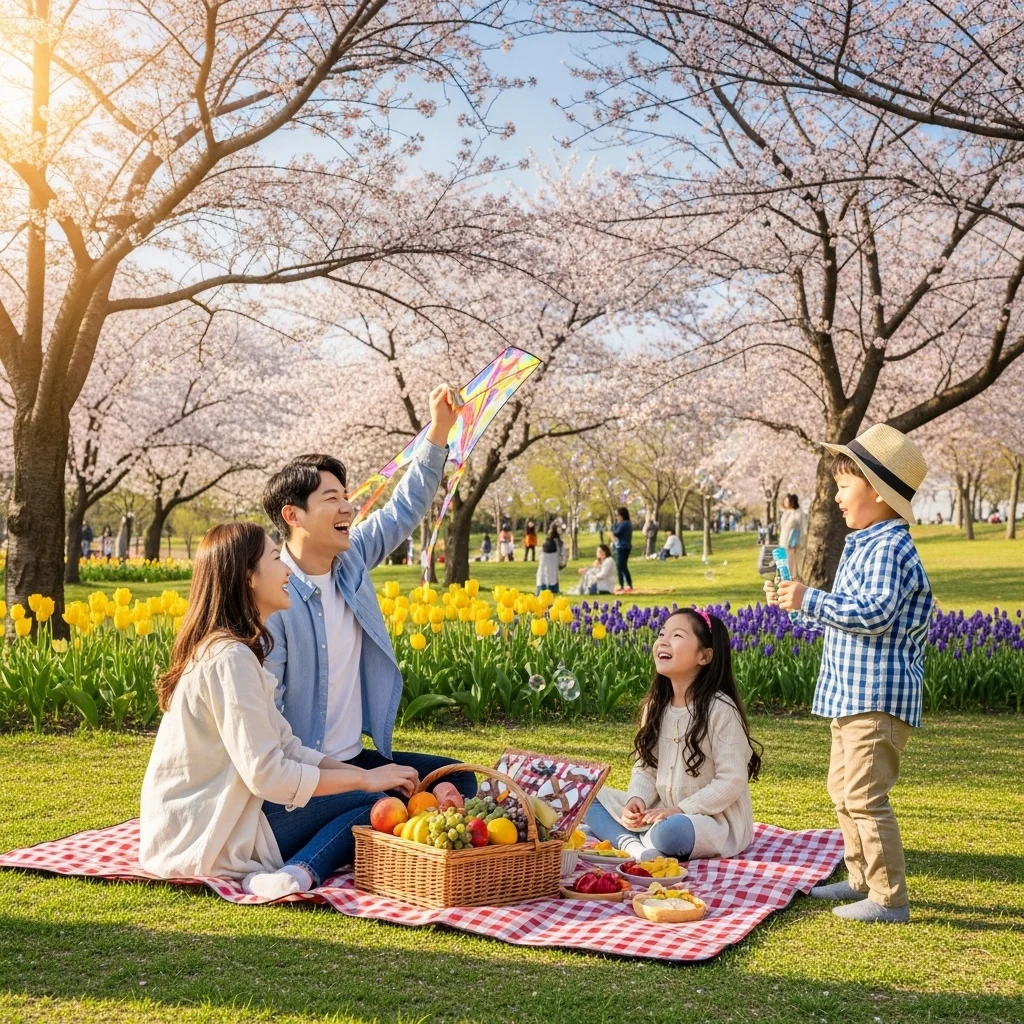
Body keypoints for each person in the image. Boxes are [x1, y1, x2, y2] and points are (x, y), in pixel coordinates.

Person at [139, 523, 421, 898]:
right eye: (275, 558)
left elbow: (288, 748)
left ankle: (297, 864)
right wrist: (365, 782)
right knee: (375, 803)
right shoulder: (229, 658)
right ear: (248, 577)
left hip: (223, 816)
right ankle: (298, 873)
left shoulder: (237, 652)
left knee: (378, 792)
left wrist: (365, 773)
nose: (288, 569)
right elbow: (268, 775)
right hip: (211, 834)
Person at [260, 385, 477, 858]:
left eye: (346, 496)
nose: (348, 508)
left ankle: (389, 828)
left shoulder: (352, 558)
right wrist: (339, 780)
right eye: (332, 499)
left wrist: (439, 430)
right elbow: (266, 721)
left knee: (458, 776)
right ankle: (305, 866)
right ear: (292, 515)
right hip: (300, 779)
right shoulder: (272, 599)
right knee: (379, 799)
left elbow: (404, 509)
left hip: (355, 757)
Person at [767, 424, 932, 924]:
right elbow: (845, 611)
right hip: (849, 694)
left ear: (878, 492)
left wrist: (811, 597)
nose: (836, 497)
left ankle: (889, 899)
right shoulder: (865, 543)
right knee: (842, 790)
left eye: (844, 486)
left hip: (876, 700)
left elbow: (875, 612)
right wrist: (799, 604)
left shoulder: (889, 548)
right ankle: (860, 878)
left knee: (864, 796)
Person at [584, 608, 760, 861]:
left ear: (704, 656)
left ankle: (621, 837)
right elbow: (646, 768)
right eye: (661, 633)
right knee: (588, 796)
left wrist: (679, 810)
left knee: (671, 833)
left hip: (711, 821)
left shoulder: (720, 709)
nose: (663, 641)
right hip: (660, 812)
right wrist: (637, 800)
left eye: (677, 635)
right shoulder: (655, 707)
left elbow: (731, 781)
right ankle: (637, 848)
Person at [778, 494, 807, 582]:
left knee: (792, 558)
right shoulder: (786, 512)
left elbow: (799, 525)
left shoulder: (797, 512)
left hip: (792, 538)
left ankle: (794, 578)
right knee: (785, 559)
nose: (785, 503)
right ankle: (787, 577)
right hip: (784, 538)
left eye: (787, 501)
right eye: (785, 501)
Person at [611, 506, 634, 593]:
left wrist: (613, 528)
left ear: (622, 515)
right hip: (623, 546)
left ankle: (624, 585)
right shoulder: (626, 523)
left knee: (621, 566)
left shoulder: (625, 524)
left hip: (623, 547)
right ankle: (626, 584)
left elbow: (616, 532)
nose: (617, 517)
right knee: (622, 566)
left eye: (618, 515)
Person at [536, 526, 562, 595]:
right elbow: (560, 552)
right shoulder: (558, 541)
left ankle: (541, 589)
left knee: (543, 574)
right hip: (553, 558)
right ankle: (552, 589)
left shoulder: (548, 540)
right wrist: (561, 562)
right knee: (552, 574)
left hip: (544, 557)